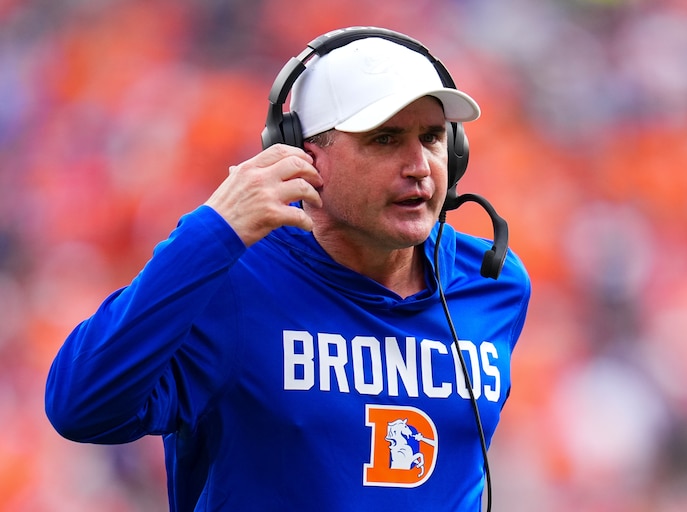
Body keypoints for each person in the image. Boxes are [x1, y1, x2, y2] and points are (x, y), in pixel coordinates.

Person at [45, 27, 530, 512]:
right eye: (385, 139)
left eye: (431, 137)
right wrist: (211, 233)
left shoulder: (493, 281)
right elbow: (80, 407)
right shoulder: (231, 282)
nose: (420, 165)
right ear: (304, 155)